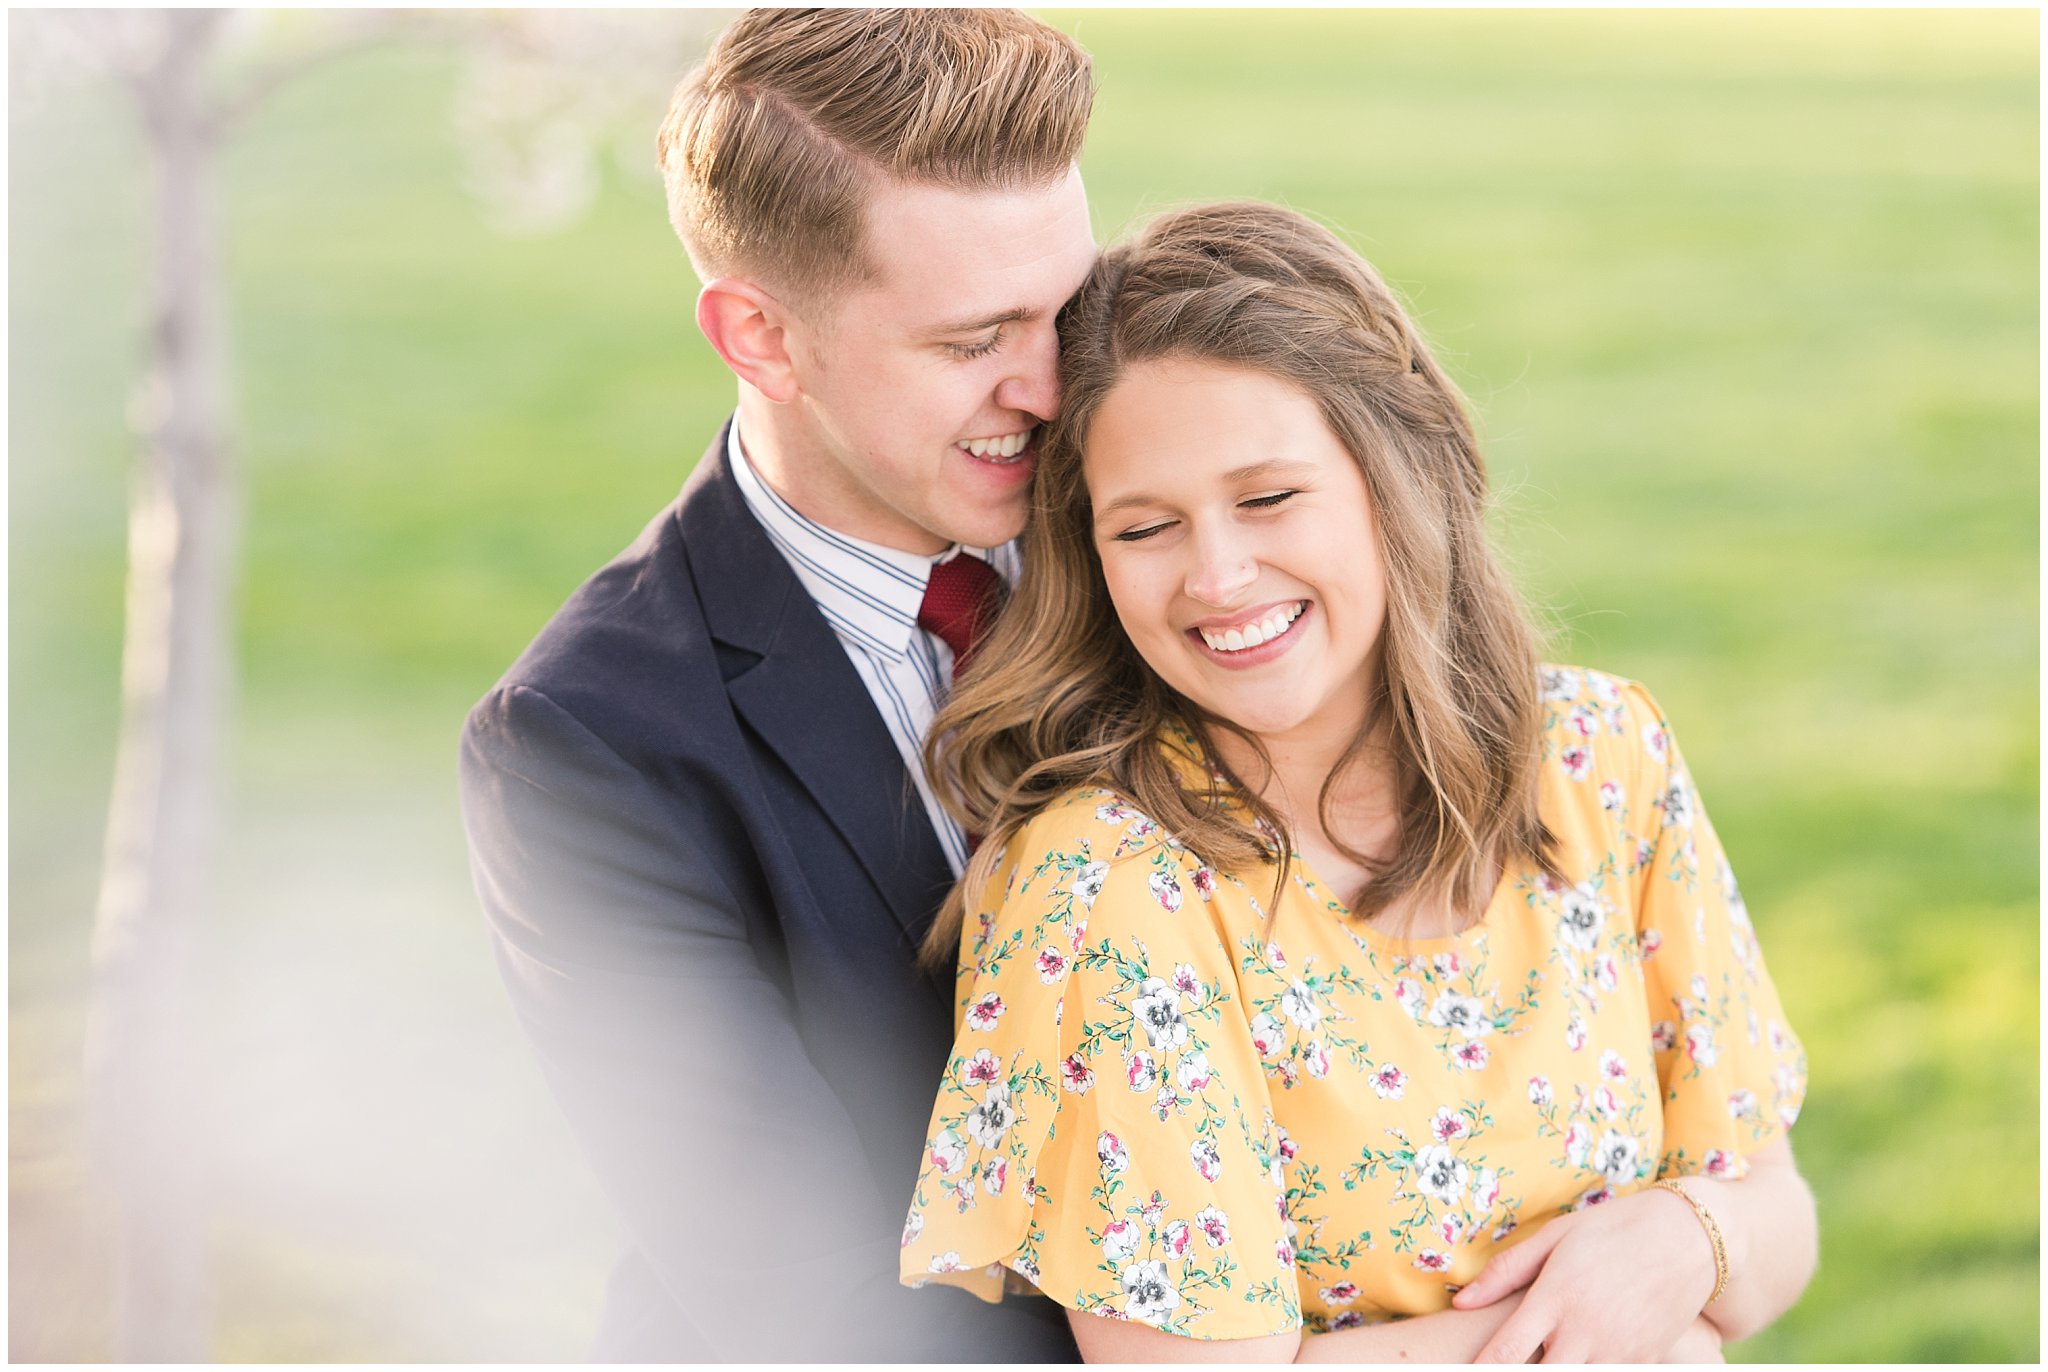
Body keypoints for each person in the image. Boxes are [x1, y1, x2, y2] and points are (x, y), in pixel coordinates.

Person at [899, 202, 1817, 1361]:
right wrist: (1653, 1344)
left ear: (1396, 473)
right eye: (1145, 528)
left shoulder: (1599, 755)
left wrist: (1690, 1239)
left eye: (1268, 497)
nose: (1218, 575)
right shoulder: (1106, 886)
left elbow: (1774, 1210)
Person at [458, 10, 1097, 1361]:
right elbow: (820, 1315)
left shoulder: (1174, 545)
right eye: (974, 337)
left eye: (1068, 310)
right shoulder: (588, 752)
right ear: (761, 337)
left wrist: (1674, 1220)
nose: (1051, 389)